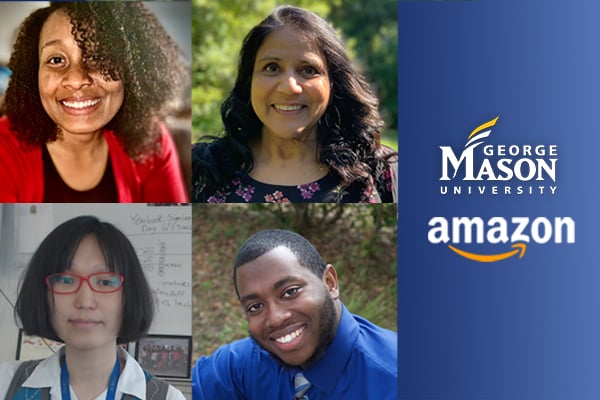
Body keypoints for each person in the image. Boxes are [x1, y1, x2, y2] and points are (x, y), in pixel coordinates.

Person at [191, 6, 397, 203]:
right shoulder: (196, 169)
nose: (289, 87)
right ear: (249, 80)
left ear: (333, 83)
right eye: (271, 68)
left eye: (308, 70)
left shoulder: (382, 171)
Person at [0, 2, 189, 202]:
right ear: (33, 73)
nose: (76, 79)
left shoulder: (151, 141)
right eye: (56, 60)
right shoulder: (4, 148)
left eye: (98, 58)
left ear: (132, 72)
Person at [192, 229, 398, 399]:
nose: (275, 318)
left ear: (330, 283)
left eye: (290, 292)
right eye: (255, 307)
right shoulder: (238, 368)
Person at [0, 216, 186, 399]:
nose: (85, 302)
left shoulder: (166, 397)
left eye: (105, 282)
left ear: (130, 294)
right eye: (66, 280)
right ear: (42, 292)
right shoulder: (6, 383)